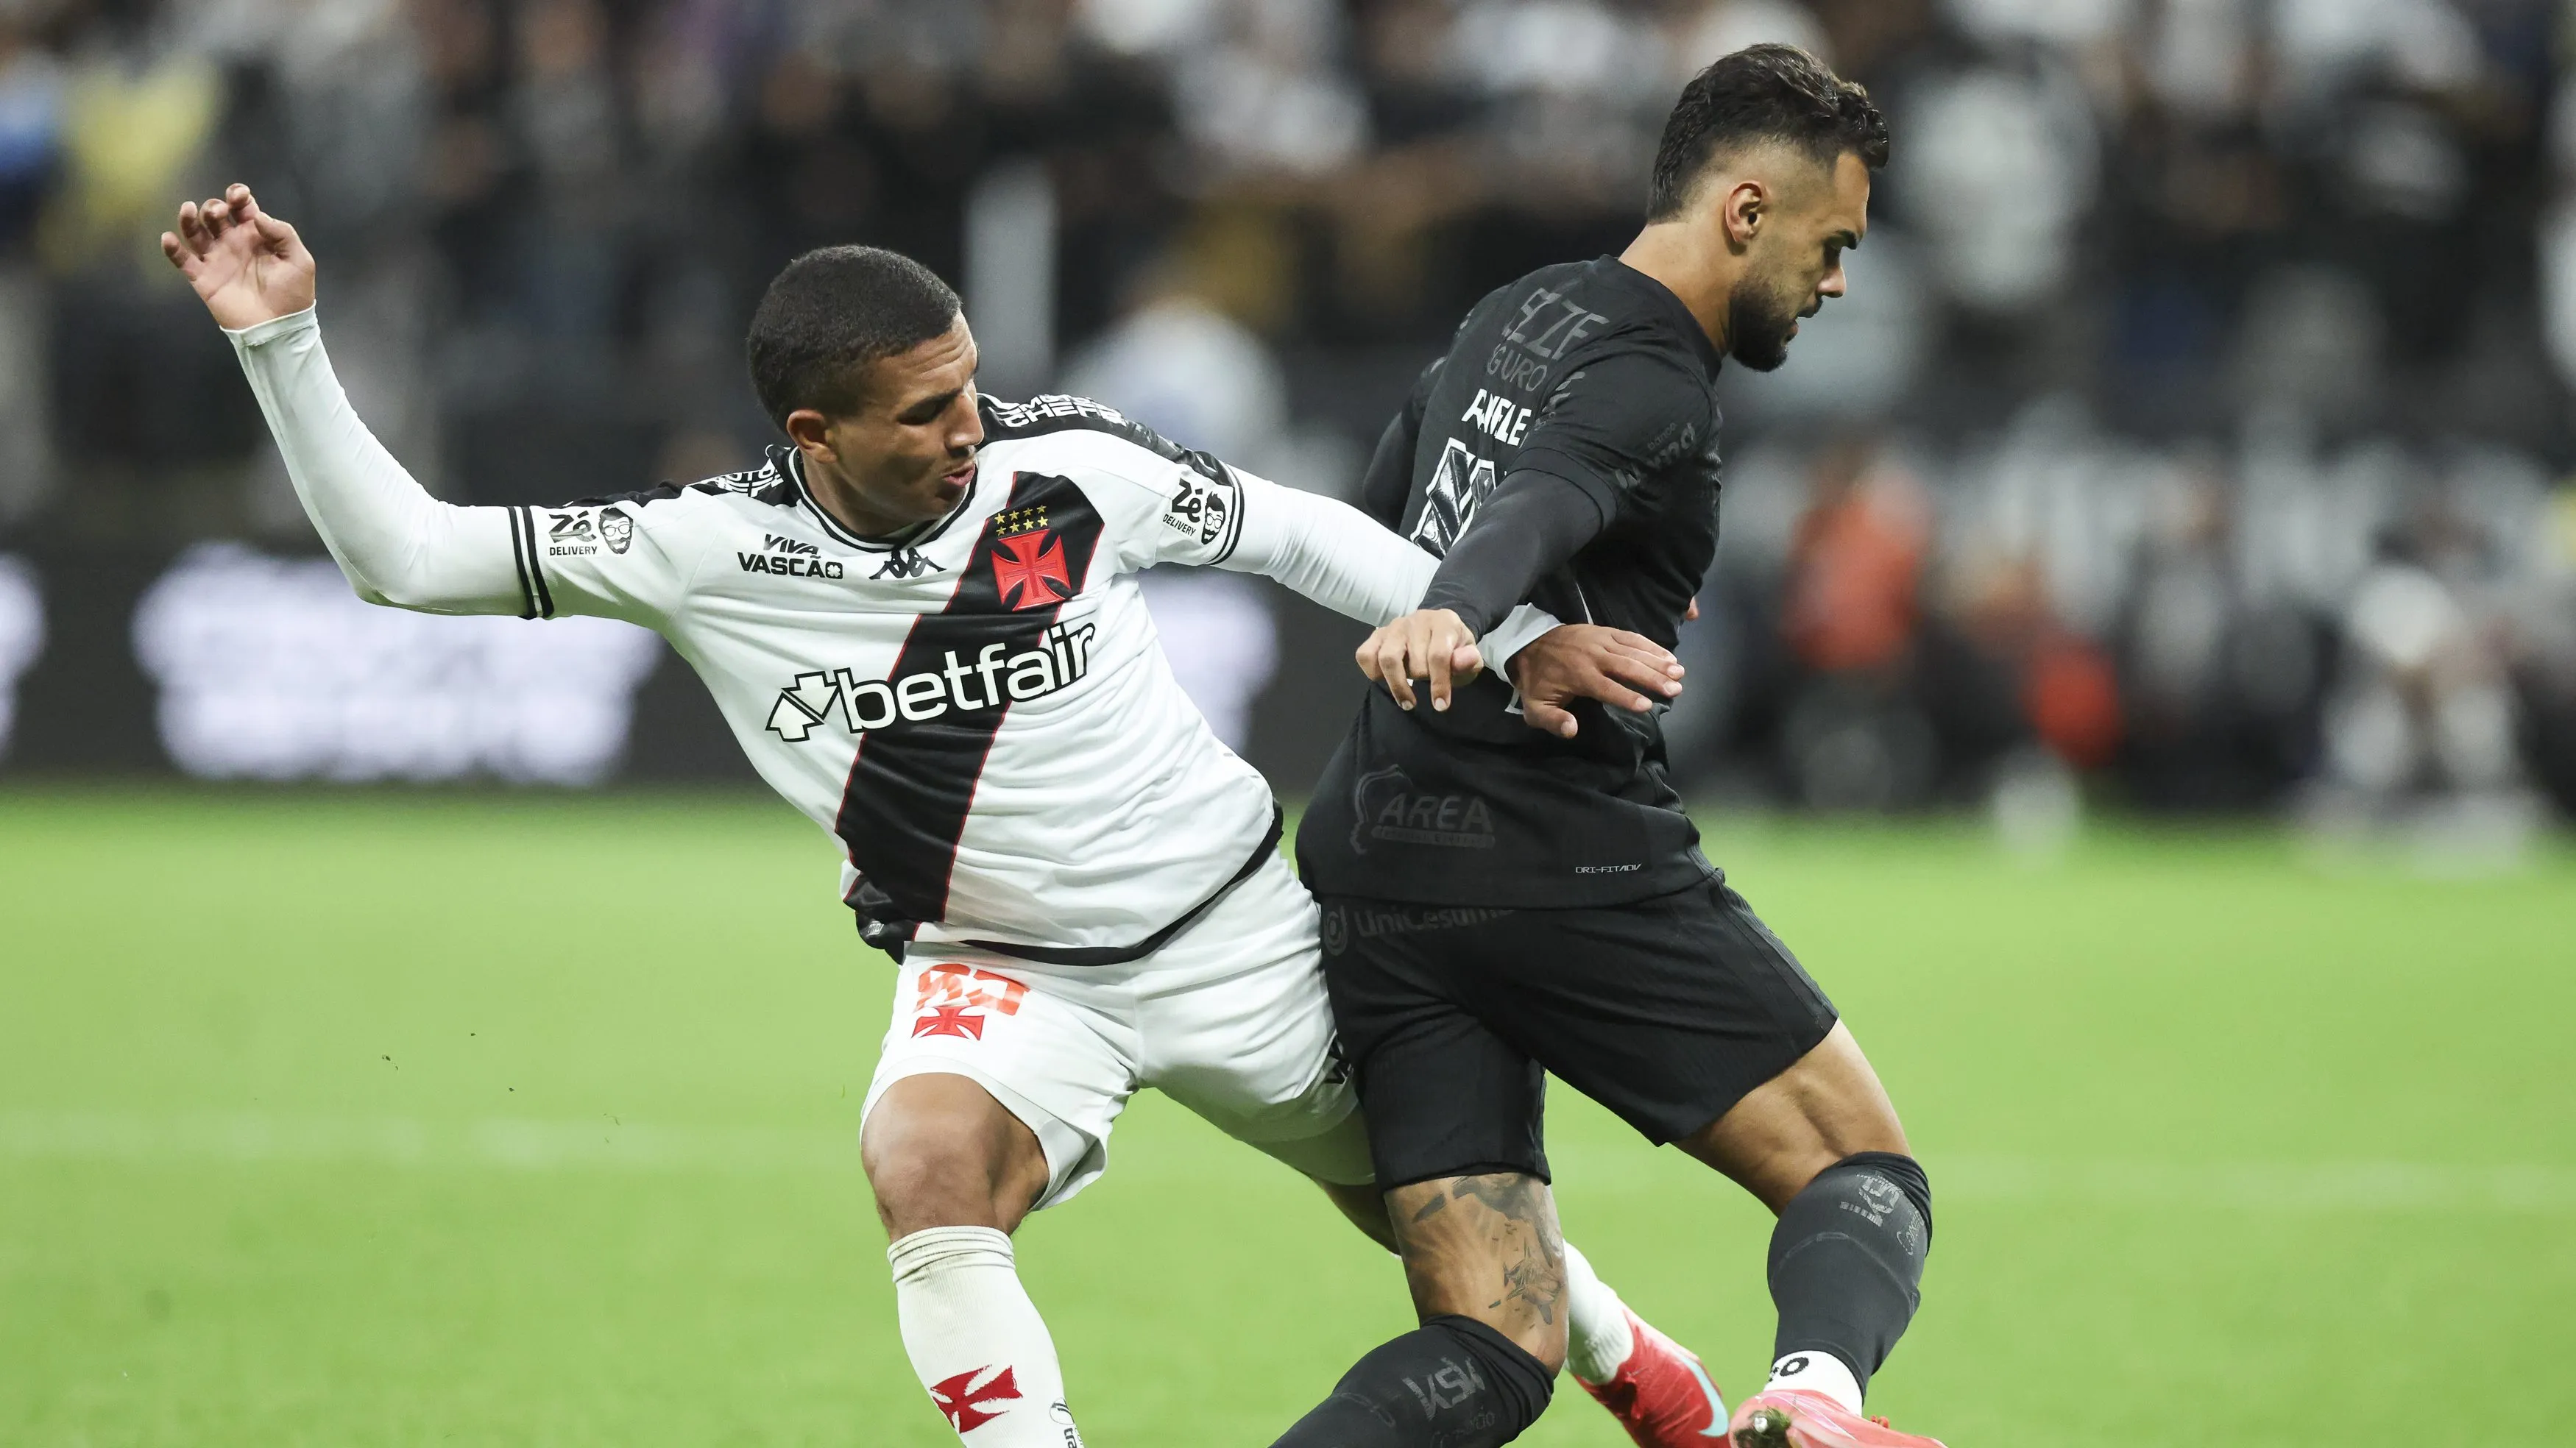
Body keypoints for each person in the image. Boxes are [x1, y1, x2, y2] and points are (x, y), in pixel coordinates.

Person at [162, 184, 1727, 1448]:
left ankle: (1636, 1366)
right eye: (923, 415)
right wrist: (284, 342)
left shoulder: (1066, 468)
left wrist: (1512, 638)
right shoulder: (701, 551)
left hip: (1241, 932)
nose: (969, 430)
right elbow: (410, 560)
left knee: (1439, 1235)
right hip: (1003, 969)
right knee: (921, 1160)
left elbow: (1308, 539)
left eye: (969, 388)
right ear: (813, 440)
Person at [1278, 46, 1947, 1448]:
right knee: (1863, 1167)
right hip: (1559, 865)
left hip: (1381, 866)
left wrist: (1491, 625)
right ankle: (1815, 1405)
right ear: (1746, 213)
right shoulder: (1655, 382)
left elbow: (1371, 522)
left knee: (1493, 1344)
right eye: (1832, 246)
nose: (1838, 284)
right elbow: (1545, 495)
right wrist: (1474, 610)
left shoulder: (1513, 311)